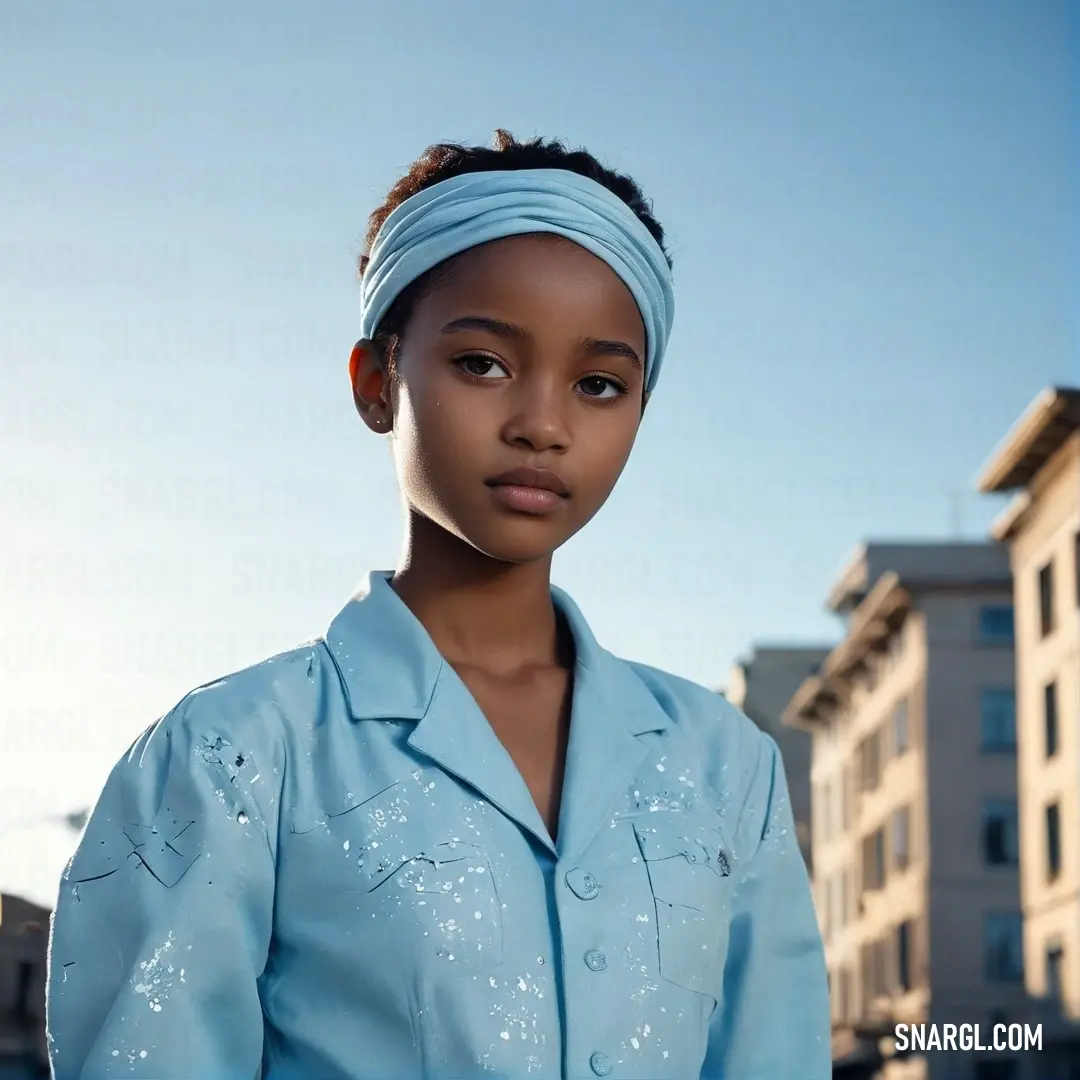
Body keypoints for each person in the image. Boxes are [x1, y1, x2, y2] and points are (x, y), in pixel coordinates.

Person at [46, 130, 829, 1080]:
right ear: (378, 383)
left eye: (598, 385)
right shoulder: (231, 756)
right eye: (483, 364)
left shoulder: (726, 767)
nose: (543, 424)